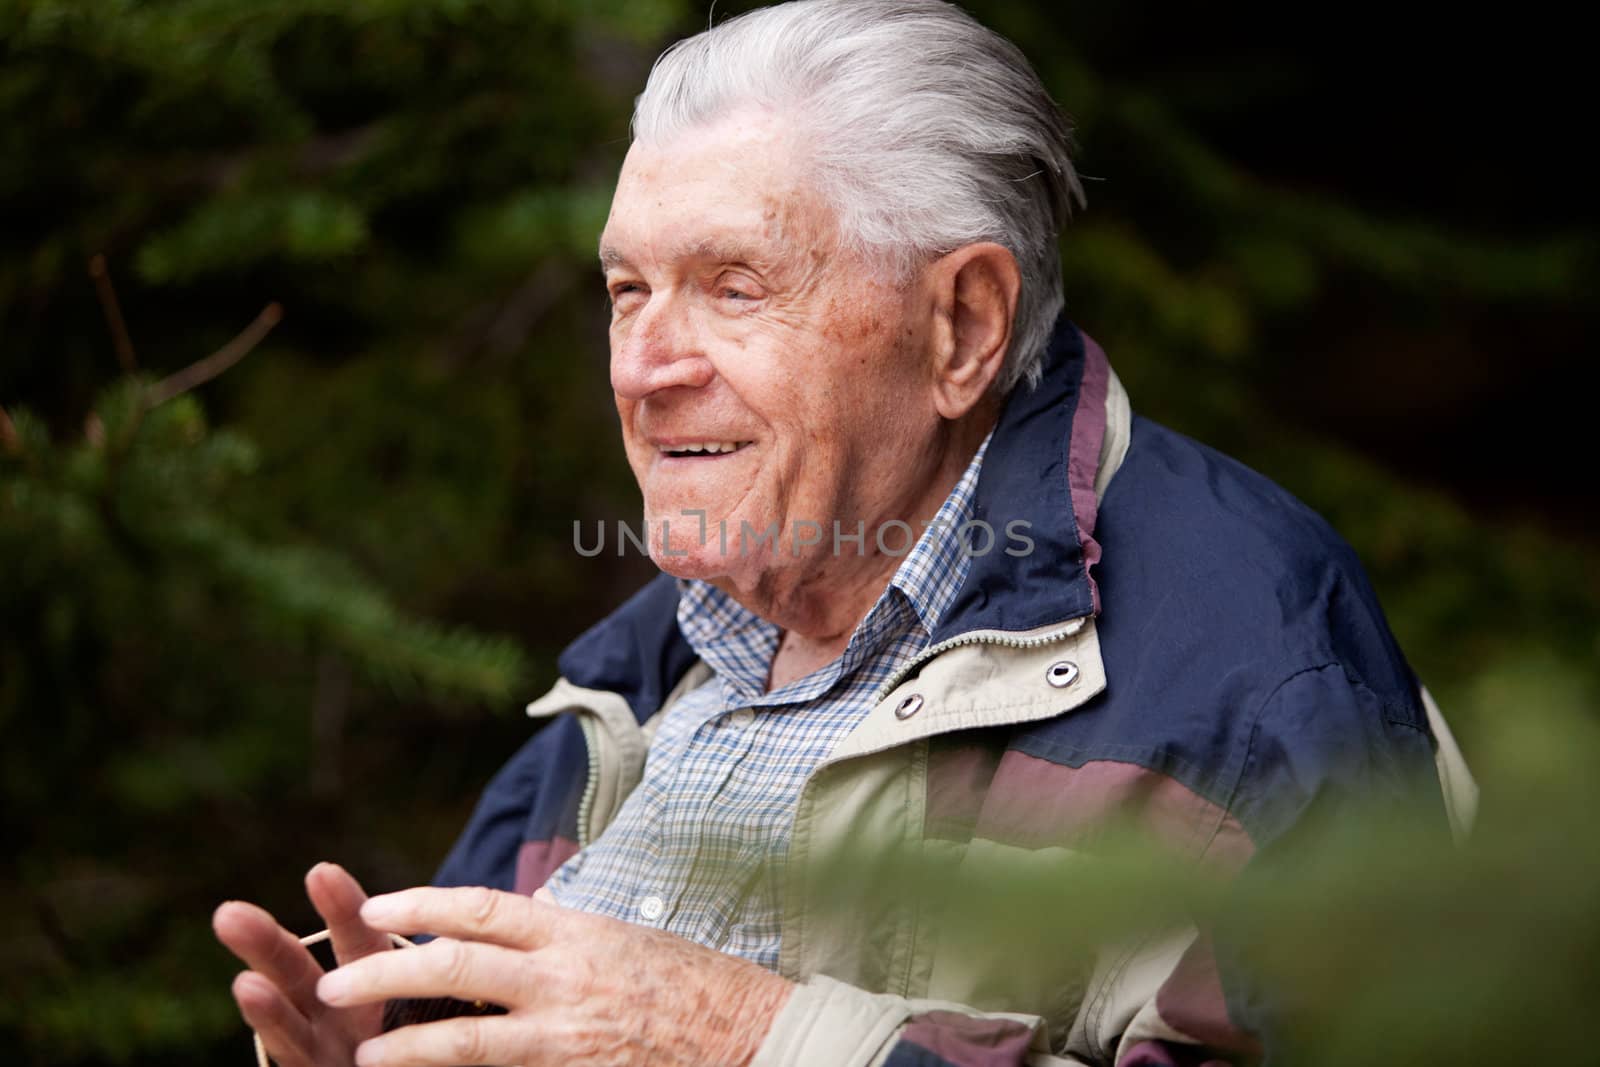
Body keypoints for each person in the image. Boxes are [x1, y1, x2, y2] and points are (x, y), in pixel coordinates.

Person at [213, 1, 1478, 1064]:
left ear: (963, 328)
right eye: (626, 291)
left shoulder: (1255, 663)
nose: (643, 367)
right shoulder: (641, 674)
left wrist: (751, 1037)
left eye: (731, 286)